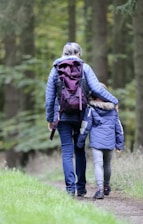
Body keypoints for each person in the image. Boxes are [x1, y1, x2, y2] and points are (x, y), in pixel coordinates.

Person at [45, 42, 118, 197]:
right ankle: (81, 188)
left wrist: (50, 118)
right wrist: (114, 101)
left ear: (63, 53)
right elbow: (97, 89)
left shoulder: (55, 70)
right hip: (81, 115)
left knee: (66, 151)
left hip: (62, 116)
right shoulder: (85, 68)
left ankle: (70, 190)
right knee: (80, 150)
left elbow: (49, 97)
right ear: (78, 53)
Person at [77, 83, 124, 199]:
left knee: (98, 165)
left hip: (97, 142)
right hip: (109, 141)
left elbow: (85, 125)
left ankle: (100, 190)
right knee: (107, 164)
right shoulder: (113, 109)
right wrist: (119, 144)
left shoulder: (90, 108)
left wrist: (80, 141)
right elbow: (119, 128)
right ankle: (107, 186)